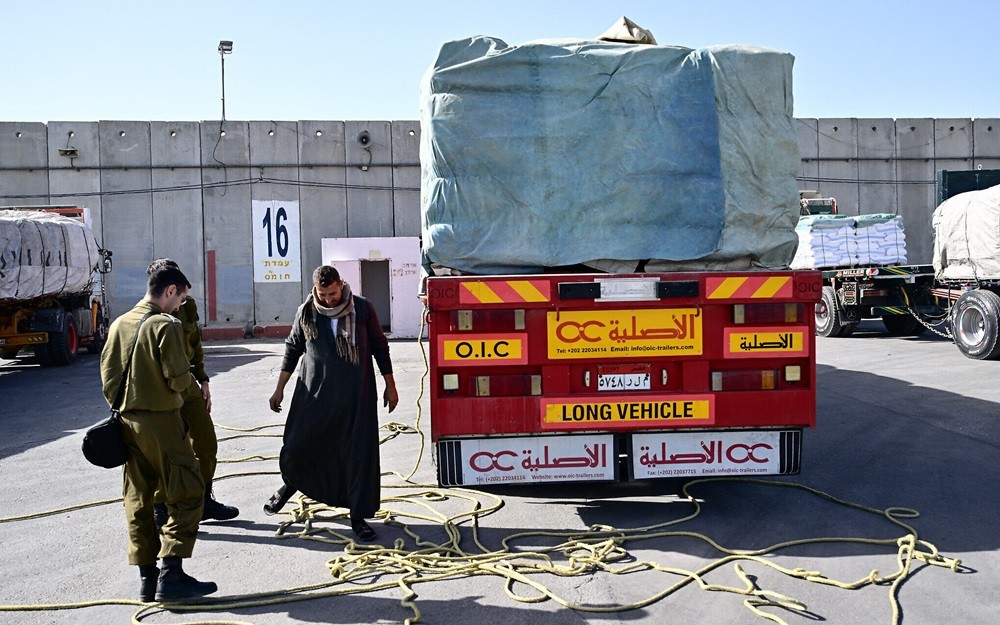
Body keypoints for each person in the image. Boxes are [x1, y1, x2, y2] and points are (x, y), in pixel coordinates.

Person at [99, 264, 217, 602]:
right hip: (162, 423)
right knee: (189, 491)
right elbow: (179, 379)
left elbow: (108, 377)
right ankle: (172, 574)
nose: (181, 305)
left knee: (138, 500)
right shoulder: (166, 325)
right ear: (170, 291)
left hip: (126, 423)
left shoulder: (119, 324)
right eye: (181, 298)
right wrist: (181, 394)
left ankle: (147, 580)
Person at [266, 265, 398, 541]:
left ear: (341, 284)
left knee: (356, 457)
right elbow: (293, 348)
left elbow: (379, 346)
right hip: (314, 396)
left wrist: (390, 385)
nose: (328, 299)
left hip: (355, 398)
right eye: (323, 294)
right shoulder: (307, 311)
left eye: (332, 292)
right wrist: (279, 388)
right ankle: (290, 485)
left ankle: (358, 516)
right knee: (297, 445)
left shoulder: (362, 309)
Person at [146, 259, 238, 526]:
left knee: (207, 444)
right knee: (168, 453)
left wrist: (204, 380)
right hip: (163, 391)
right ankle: (160, 507)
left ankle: (204, 501)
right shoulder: (147, 315)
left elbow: (195, 344)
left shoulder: (188, 306)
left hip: (188, 386)